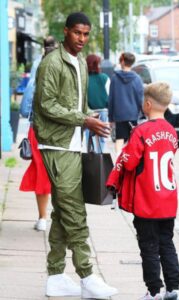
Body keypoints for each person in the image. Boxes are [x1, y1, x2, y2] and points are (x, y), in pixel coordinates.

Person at [33, 12, 118, 298]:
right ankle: (88, 276)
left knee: (62, 212)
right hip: (55, 145)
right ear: (66, 31)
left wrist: (89, 119)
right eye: (77, 33)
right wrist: (83, 120)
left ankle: (56, 276)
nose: (82, 39)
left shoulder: (80, 61)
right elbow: (46, 105)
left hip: (73, 143)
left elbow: (75, 104)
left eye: (86, 34)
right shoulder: (52, 62)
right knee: (75, 212)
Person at [108, 82, 179, 300]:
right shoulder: (171, 131)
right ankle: (174, 289)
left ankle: (154, 291)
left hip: (147, 200)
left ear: (147, 104)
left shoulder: (141, 131)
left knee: (149, 247)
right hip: (168, 200)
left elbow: (129, 164)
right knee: (167, 243)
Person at [19, 36, 56, 231]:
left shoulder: (35, 81)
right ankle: (61, 218)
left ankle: (42, 218)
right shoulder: (64, 80)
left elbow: (25, 110)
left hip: (38, 132)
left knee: (42, 173)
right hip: (61, 132)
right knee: (61, 174)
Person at [108, 52, 144, 155]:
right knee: (133, 139)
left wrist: (111, 118)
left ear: (122, 62)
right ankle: (130, 162)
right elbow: (140, 97)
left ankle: (119, 162)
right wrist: (142, 113)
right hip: (133, 114)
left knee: (119, 139)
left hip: (119, 114)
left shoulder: (115, 78)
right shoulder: (137, 79)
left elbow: (111, 99)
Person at [86, 54, 110, 152]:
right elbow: (110, 95)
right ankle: (99, 157)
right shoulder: (104, 78)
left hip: (88, 111)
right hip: (102, 110)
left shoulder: (84, 79)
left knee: (88, 136)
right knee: (101, 137)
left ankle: (90, 156)